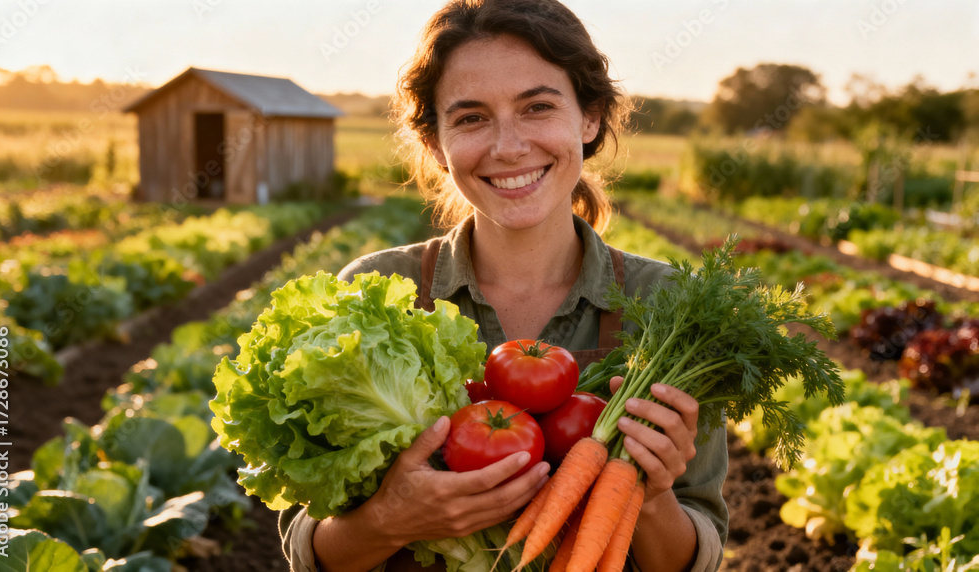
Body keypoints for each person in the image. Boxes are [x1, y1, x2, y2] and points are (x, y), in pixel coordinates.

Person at [278, 1, 729, 570]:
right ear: (437, 144)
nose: (508, 146)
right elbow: (308, 551)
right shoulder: (374, 293)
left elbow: (699, 557)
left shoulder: (670, 307)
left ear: (588, 118)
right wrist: (390, 519)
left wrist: (652, 496)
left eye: (537, 107)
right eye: (470, 118)